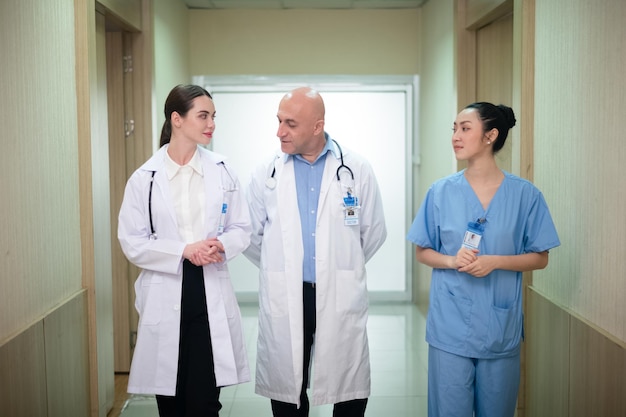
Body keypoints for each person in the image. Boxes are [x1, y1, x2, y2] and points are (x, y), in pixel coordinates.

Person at [407, 102, 560, 417]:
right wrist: (451, 261)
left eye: (465, 129)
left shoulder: (525, 196)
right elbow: (422, 251)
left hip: (498, 328)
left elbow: (540, 257)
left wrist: (495, 262)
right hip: (449, 327)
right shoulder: (440, 193)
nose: (456, 136)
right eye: (454, 129)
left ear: (490, 135)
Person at [244, 87, 387, 417]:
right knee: (287, 383)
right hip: (287, 293)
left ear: (316, 126)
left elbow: (373, 231)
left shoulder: (355, 168)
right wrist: (281, 267)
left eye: (290, 123)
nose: (280, 131)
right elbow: (252, 236)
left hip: (338, 291)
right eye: (279, 121)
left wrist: (339, 265)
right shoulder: (267, 172)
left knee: (347, 382)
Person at [118, 84, 251, 417]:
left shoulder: (223, 171)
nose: (211, 124)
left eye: (213, 116)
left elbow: (241, 228)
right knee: (172, 403)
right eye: (203, 116)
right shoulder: (144, 179)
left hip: (209, 295)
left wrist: (221, 244)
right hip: (166, 290)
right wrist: (183, 250)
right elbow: (132, 241)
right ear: (176, 119)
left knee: (206, 403)